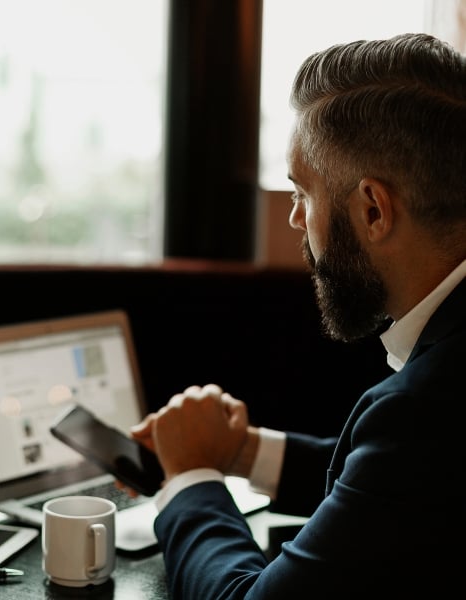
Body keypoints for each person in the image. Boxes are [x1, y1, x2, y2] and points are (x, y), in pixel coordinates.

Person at [126, 33, 466, 598]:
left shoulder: (426, 407)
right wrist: (243, 452)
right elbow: (392, 491)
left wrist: (191, 480)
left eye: (302, 194)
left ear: (373, 209)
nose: (294, 219)